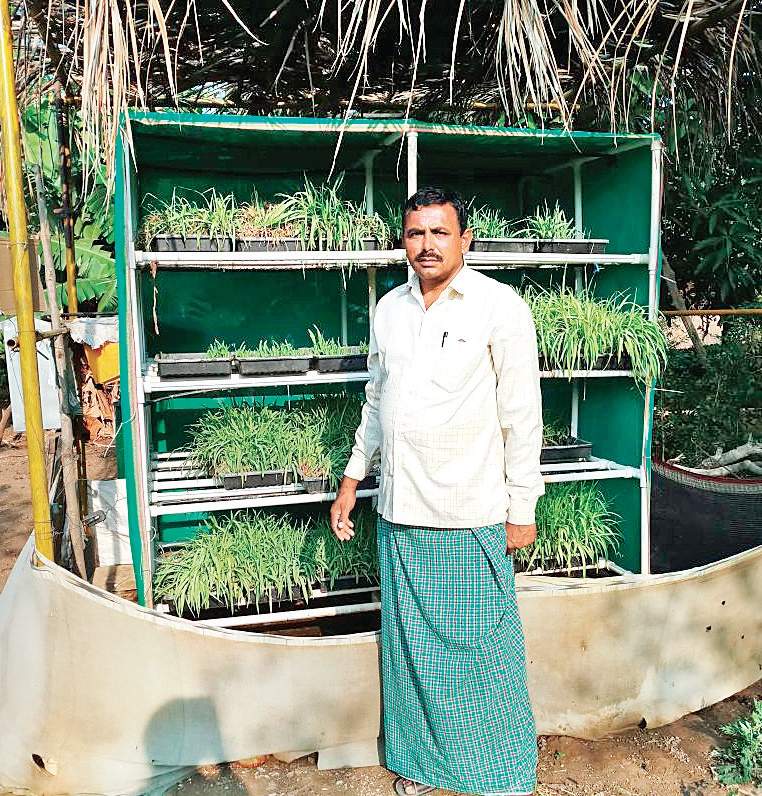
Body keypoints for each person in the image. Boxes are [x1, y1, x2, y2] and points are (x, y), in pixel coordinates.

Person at [330, 187, 543, 796]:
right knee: (413, 656)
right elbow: (376, 402)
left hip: (467, 510)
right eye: (415, 233)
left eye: (439, 232)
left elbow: (521, 414)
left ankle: (497, 775)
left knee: (480, 658)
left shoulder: (498, 308)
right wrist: (352, 479)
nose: (426, 244)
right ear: (404, 240)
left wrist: (522, 507)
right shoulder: (390, 309)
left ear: (465, 240)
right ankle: (423, 771)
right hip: (401, 508)